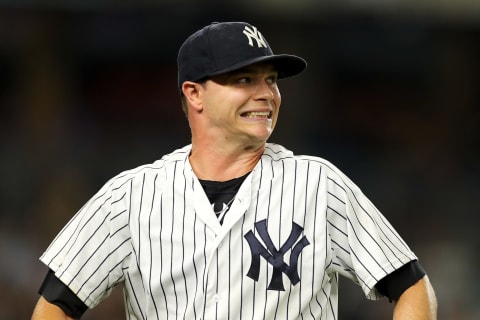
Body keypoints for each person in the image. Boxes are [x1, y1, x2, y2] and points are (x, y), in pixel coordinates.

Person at [31, 21, 437, 320]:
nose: (266, 94)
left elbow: (412, 288)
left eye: (271, 80)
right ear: (195, 94)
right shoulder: (130, 196)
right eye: (245, 79)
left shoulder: (318, 184)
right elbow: (55, 306)